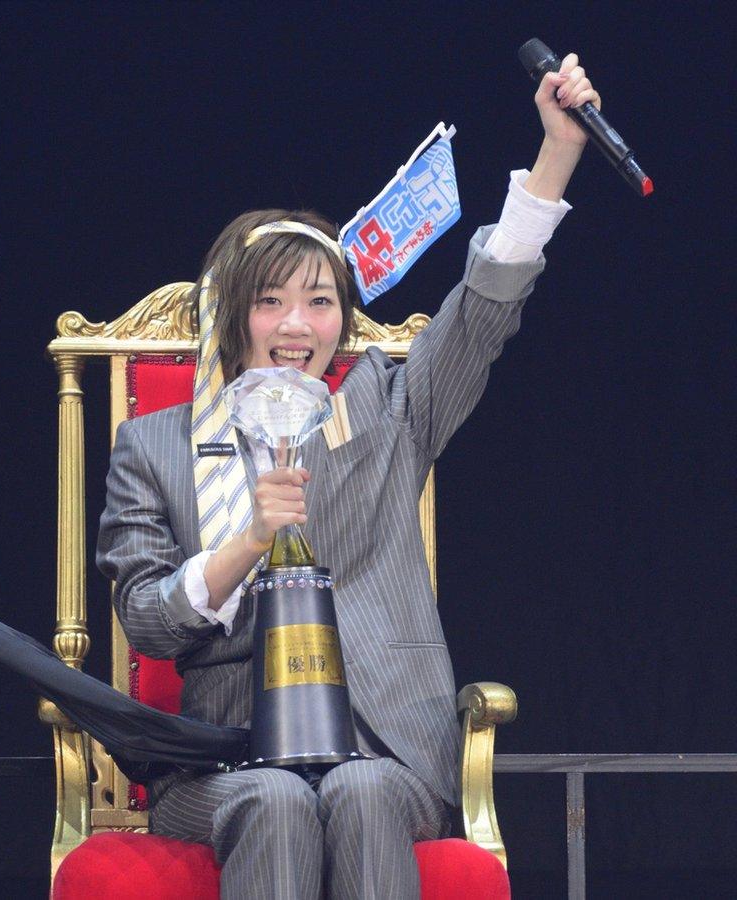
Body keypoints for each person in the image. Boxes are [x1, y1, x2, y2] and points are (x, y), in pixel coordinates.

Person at [97, 54, 600, 899]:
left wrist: (556, 155)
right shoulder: (154, 446)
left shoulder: (385, 407)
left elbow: (479, 313)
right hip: (228, 757)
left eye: (321, 301)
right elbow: (147, 623)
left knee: (360, 792)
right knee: (276, 800)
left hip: (384, 743)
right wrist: (248, 539)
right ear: (231, 314)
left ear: (343, 317)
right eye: (271, 301)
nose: (298, 325)